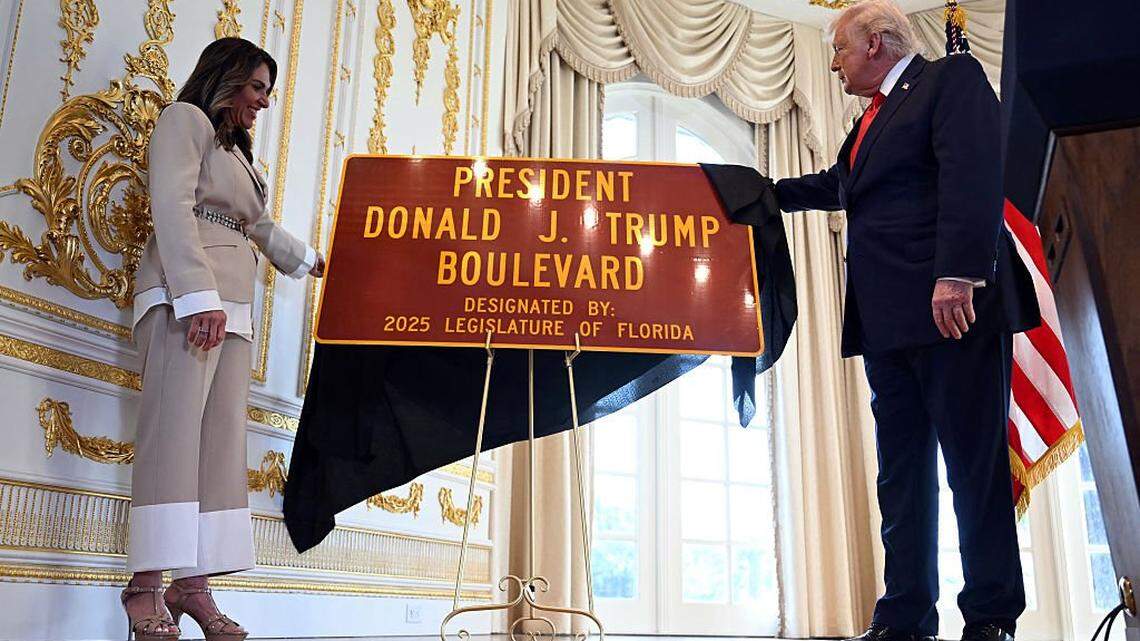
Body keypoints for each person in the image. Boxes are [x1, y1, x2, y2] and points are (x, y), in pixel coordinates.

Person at [772, 2, 1038, 641]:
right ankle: (905, 617)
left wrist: (958, 274)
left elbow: (972, 173)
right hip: (887, 322)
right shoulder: (870, 122)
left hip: (954, 311)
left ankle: (991, 616)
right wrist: (757, 193)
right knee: (901, 475)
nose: (833, 62)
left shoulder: (951, 80)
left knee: (973, 467)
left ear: (875, 41)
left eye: (838, 49)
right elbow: (838, 184)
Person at [121, 37, 325, 641]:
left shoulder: (238, 156)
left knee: (217, 449)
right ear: (227, 77)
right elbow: (173, 207)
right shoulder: (185, 121)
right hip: (190, 300)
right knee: (173, 437)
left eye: (268, 91)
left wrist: (312, 261)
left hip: (234, 309)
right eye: (257, 87)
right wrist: (198, 295)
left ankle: (194, 584)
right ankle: (145, 586)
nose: (263, 101)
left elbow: (257, 225)